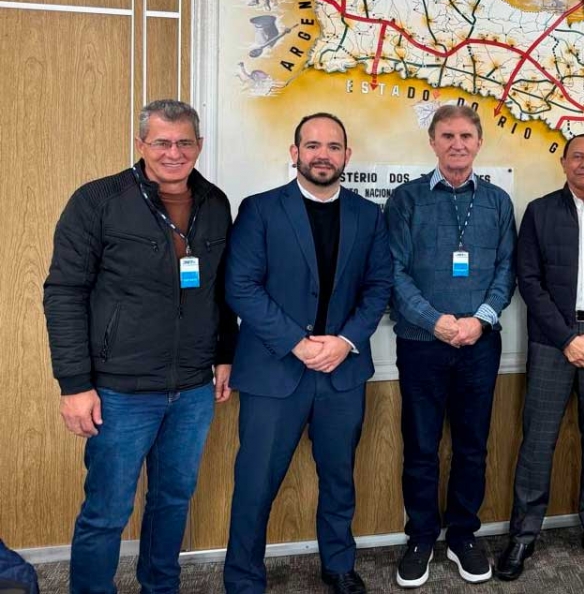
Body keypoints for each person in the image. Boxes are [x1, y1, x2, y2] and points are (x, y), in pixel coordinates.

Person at [44, 99, 237, 594]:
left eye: (184, 142)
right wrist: (74, 385)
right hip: (120, 391)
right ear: (141, 144)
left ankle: (160, 586)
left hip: (192, 389)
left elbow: (219, 289)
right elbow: (64, 293)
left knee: (172, 501)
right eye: (161, 142)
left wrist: (224, 353)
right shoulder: (97, 200)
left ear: (199, 145)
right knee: (107, 510)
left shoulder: (216, 203)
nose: (174, 153)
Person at [222, 113, 391, 594]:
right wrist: (297, 342)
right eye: (312, 145)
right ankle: (243, 578)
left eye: (333, 147)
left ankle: (339, 565)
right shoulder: (260, 210)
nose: (323, 155)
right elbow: (240, 286)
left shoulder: (368, 215)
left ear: (347, 156)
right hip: (275, 371)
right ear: (294, 153)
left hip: (342, 370)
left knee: (339, 479)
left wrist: (345, 341)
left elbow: (378, 287)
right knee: (255, 483)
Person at [496, 134, 584, 581]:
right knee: (538, 440)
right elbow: (528, 279)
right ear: (563, 162)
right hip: (551, 341)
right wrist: (566, 338)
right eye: (577, 156)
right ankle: (523, 535)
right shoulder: (540, 211)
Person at [385, 105, 516, 587]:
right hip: (421, 343)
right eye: (447, 136)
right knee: (420, 447)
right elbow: (393, 271)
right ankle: (420, 537)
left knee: (472, 447)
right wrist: (435, 321)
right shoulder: (406, 199)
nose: (457, 144)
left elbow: (506, 269)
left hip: (479, 345)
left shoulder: (498, 202)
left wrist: (480, 320)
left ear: (479, 142)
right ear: (433, 142)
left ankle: (463, 536)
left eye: (465, 136)